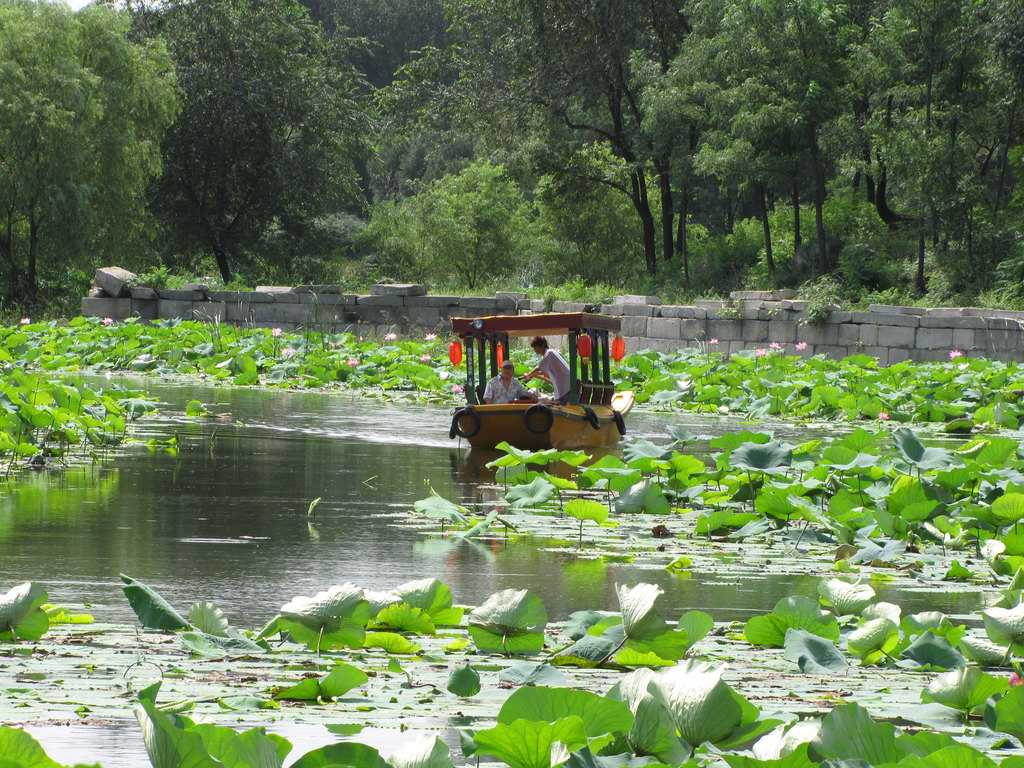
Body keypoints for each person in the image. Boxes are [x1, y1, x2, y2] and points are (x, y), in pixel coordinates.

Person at [523, 336, 571, 403]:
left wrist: (528, 375)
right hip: (565, 385)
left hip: (565, 386)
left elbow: (538, 368)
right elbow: (543, 372)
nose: (534, 350)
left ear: (542, 345)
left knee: (563, 406)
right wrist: (532, 375)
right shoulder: (551, 353)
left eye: (535, 347)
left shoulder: (549, 353)